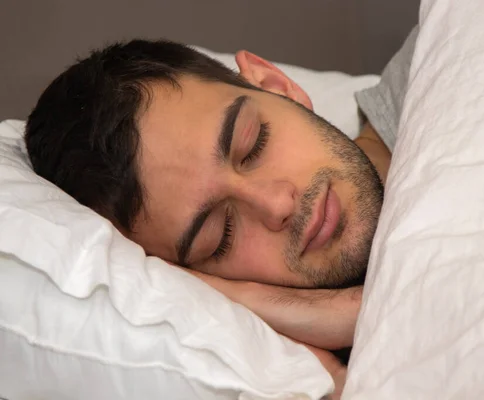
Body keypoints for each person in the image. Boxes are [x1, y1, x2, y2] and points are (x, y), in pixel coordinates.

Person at [25, 27, 418, 395]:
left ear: (274, 85)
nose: (277, 204)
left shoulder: (442, 62)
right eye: (221, 236)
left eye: (255, 144)